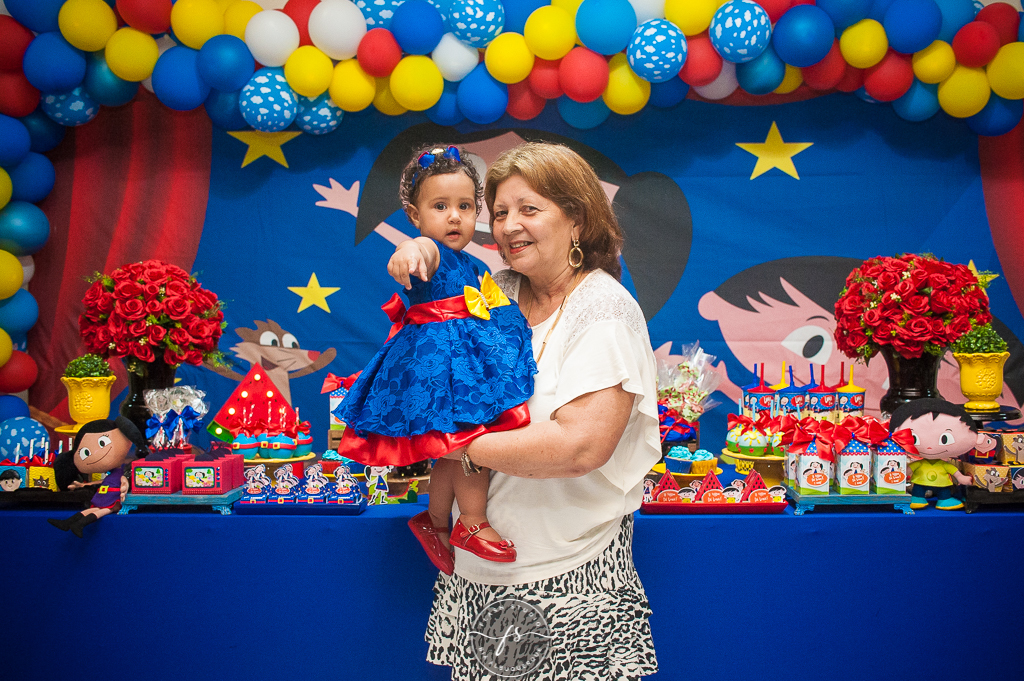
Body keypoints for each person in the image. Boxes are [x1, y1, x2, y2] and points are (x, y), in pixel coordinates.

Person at [425, 142, 660, 680]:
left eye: (529, 209)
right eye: (500, 213)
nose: (509, 226)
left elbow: (580, 447)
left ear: (576, 217)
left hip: (569, 579)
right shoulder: (493, 293)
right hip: (477, 576)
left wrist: (449, 443)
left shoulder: (602, 310)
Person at [334, 144, 537, 574]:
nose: (454, 217)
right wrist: (409, 253)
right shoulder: (430, 248)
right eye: (440, 206)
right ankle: (473, 521)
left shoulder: (471, 263)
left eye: (465, 206)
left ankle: (435, 521)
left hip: (459, 364)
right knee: (470, 445)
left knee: (449, 450)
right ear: (415, 215)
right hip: (437, 367)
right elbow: (420, 251)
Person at [48, 416, 148, 537]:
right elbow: (103, 481)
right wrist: (83, 485)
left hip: (114, 496)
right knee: (94, 509)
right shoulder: (112, 472)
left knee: (103, 510)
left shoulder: (124, 470)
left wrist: (125, 484)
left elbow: (124, 479)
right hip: (104, 493)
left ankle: (80, 524)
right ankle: (67, 523)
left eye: (102, 443)